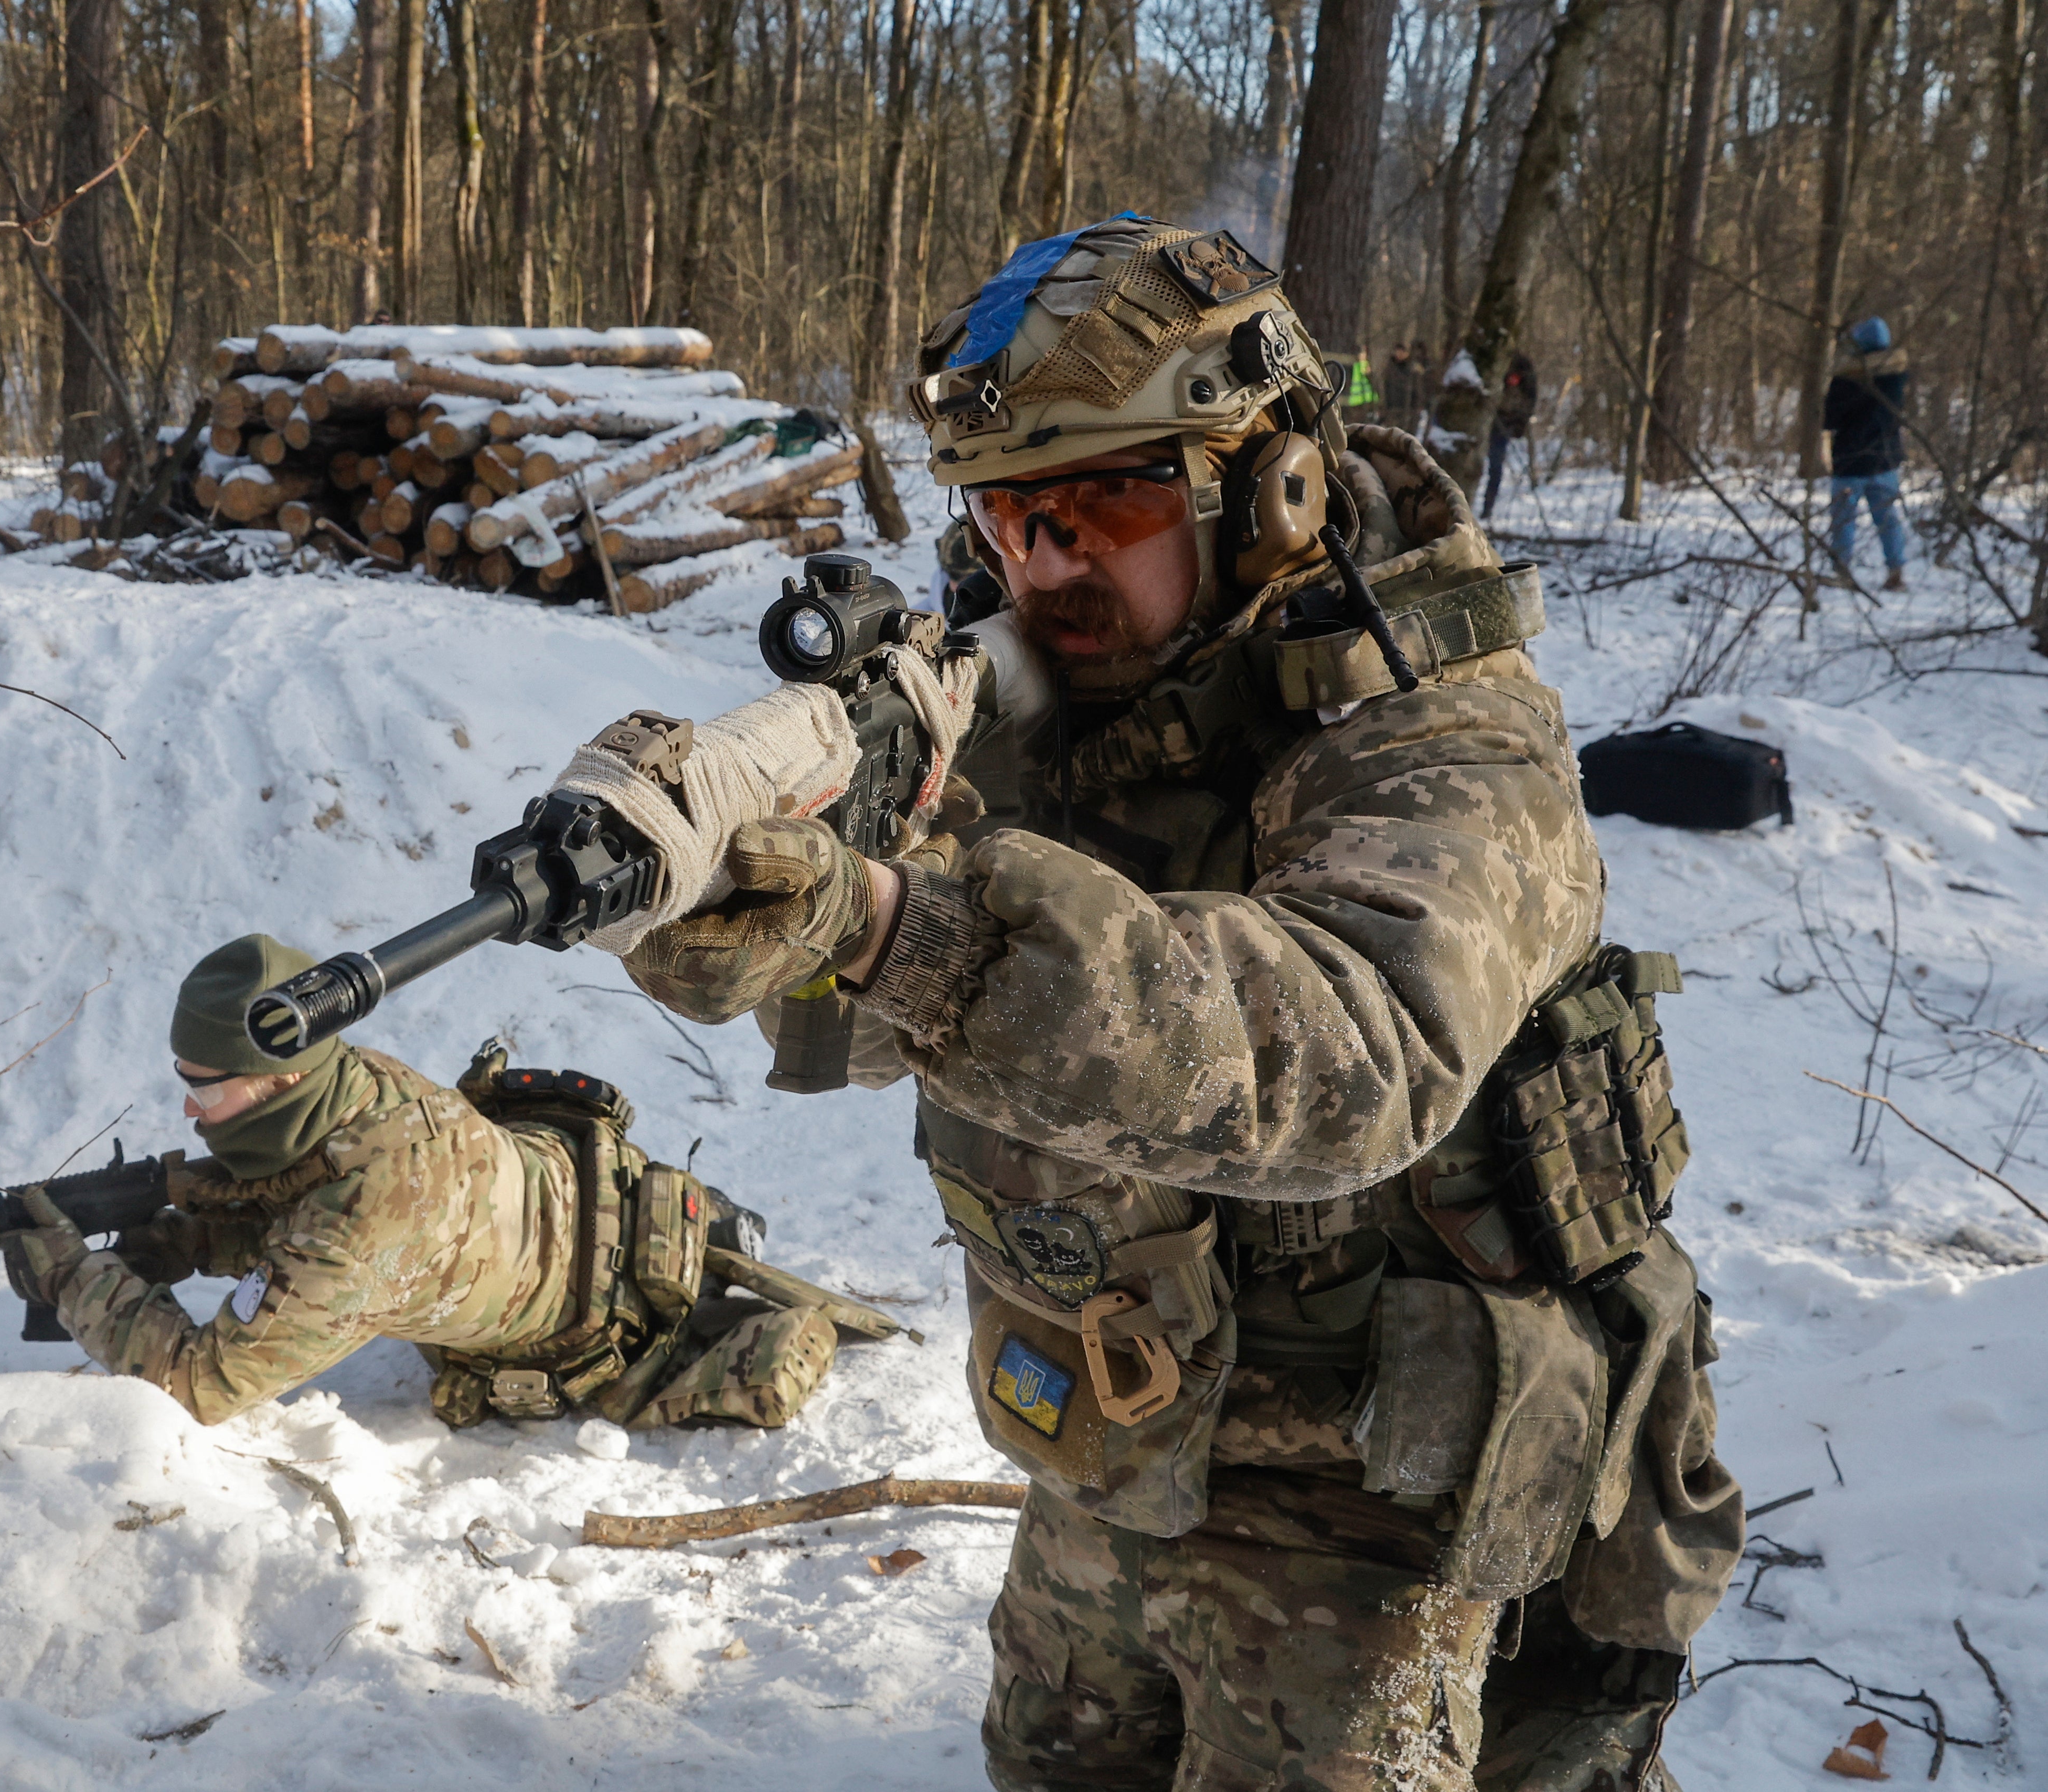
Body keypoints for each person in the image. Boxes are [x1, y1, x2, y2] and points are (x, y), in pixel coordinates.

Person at [627, 213, 1740, 1789]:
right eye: (1006, 513)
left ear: (1270, 487)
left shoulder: (1439, 731)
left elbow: (1360, 1051)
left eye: (1106, 497)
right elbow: (855, 1024)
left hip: (1372, 1507)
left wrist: (895, 928)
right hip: (1115, 1434)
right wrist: (746, 906)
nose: (1046, 558)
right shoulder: (1062, 691)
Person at [1, 933, 883, 1431]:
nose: (190, 1111)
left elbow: (197, 1385)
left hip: (598, 1322)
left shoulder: (356, 1231)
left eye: (205, 1087)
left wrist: (74, 1278)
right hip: (594, 1193)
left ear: (277, 1080)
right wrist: (191, 1237)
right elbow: (296, 1194)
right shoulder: (357, 1083)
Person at [1823, 316, 1911, 591]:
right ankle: (1896, 572)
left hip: (1850, 462)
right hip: (1886, 461)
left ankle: (1842, 571)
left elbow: (1829, 418)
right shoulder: (1897, 377)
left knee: (1843, 520)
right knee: (1888, 520)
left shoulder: (1846, 379)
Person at [1485, 350, 1539, 518]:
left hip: (1505, 424)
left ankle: (1488, 508)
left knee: (1495, 466)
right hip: (1487, 420)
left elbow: (1529, 402)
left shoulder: (1526, 375)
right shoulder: (1491, 365)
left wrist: (1519, 425)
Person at [1381, 340, 1417, 430]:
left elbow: (1418, 390)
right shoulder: (1390, 367)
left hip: (1408, 409)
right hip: (1392, 408)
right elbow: (1385, 387)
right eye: (1398, 351)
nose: (1400, 354)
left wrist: (1416, 407)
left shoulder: (1413, 369)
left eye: (1403, 352)